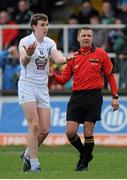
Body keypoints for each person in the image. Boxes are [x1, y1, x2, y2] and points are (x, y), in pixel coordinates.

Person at [49, 27, 119, 171]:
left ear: (92, 38)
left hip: (93, 96)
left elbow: (110, 76)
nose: (86, 37)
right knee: (70, 132)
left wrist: (115, 97)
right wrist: (53, 75)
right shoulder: (73, 57)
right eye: (84, 35)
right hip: (76, 97)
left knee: (88, 133)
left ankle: (83, 163)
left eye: (89, 35)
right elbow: (63, 80)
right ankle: (85, 155)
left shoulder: (101, 54)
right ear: (78, 38)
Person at [18, 13, 73, 172]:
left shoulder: (49, 43)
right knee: (34, 125)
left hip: (42, 88)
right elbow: (23, 61)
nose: (46, 28)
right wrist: (28, 54)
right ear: (34, 26)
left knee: (45, 130)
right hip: (27, 85)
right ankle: (34, 165)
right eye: (42, 25)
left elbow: (57, 58)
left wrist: (68, 58)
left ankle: (27, 154)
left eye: (47, 25)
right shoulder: (25, 41)